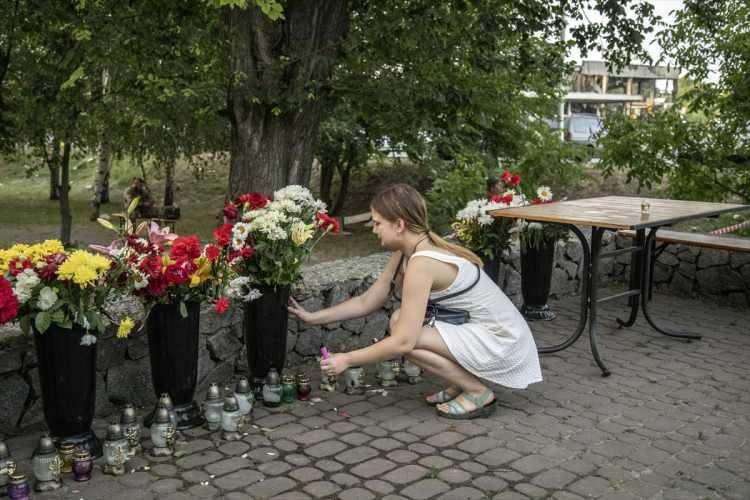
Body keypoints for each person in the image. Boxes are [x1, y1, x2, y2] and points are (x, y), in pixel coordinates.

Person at [288, 184, 542, 419]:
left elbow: (403, 342)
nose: (373, 229)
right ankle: (461, 382)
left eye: (377, 223)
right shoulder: (409, 251)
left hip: (505, 342)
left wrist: (347, 359)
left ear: (399, 224)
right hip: (489, 333)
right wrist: (313, 317)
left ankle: (477, 392)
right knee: (399, 320)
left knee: (403, 333)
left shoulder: (422, 263)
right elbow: (369, 300)